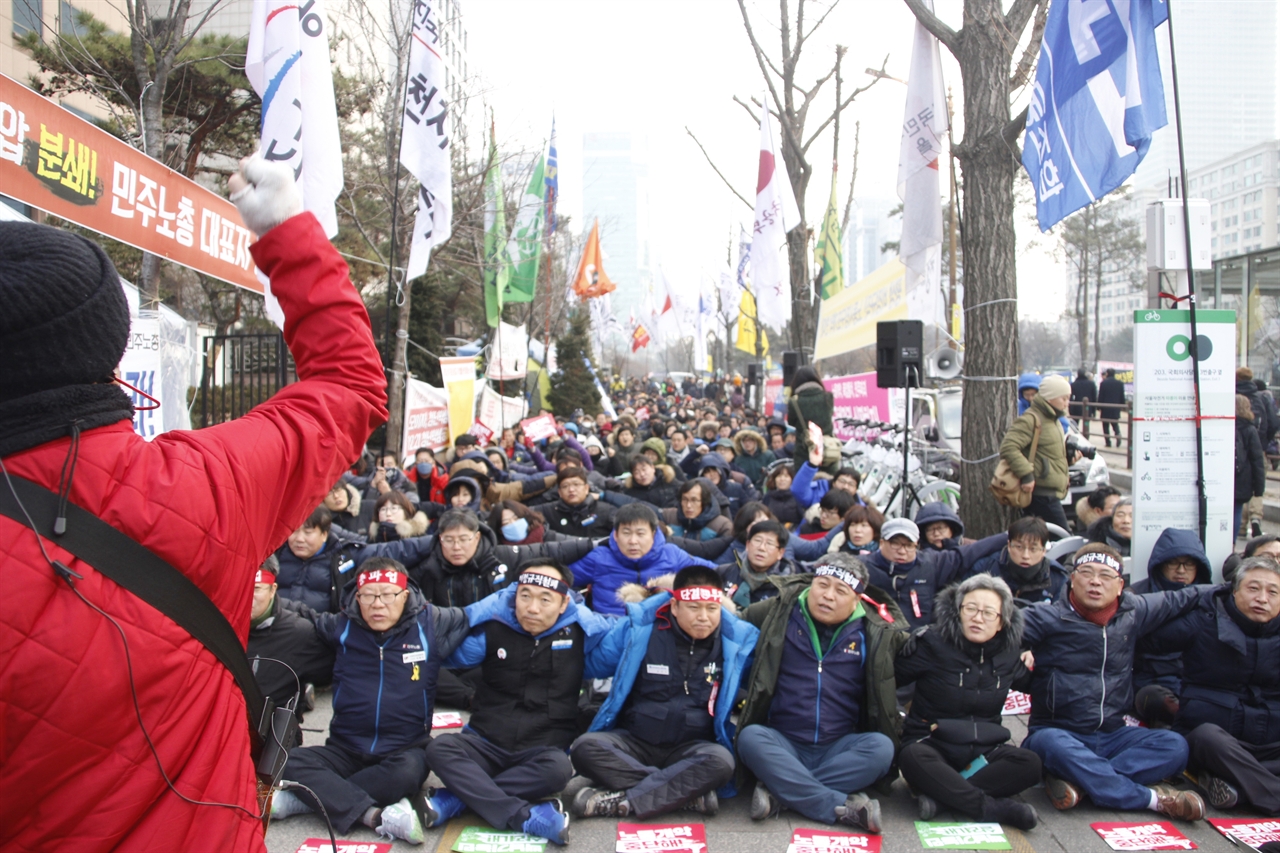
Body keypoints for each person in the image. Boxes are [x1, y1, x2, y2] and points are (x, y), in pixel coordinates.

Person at [270, 559, 472, 843]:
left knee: (406, 774)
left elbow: (476, 613)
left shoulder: (430, 623)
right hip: (346, 748)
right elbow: (301, 611)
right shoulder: (342, 625)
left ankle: (307, 800)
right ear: (357, 597)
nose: (378, 604)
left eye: (388, 595)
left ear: (404, 596)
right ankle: (374, 815)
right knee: (286, 759)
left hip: (403, 748)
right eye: (369, 595)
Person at [420, 563, 614, 845]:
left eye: (544, 599)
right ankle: (524, 816)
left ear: (564, 604)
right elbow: (437, 650)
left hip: (540, 752)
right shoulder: (492, 631)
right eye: (525, 596)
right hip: (484, 743)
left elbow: (628, 636)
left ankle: (459, 799)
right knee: (439, 747)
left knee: (559, 769)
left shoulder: (582, 636)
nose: (532, 608)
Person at [1019, 545, 1207, 821]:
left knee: (1175, 746)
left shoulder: (1133, 612)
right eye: (1087, 573)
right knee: (1048, 741)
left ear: (1120, 586)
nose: (1095, 581)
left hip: (1112, 735)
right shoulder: (1046, 617)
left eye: (1106, 576)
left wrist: (1230, 588)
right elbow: (1001, 632)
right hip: (1058, 733)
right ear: (1073, 578)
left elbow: (1181, 598)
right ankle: (1152, 800)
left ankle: (1082, 782)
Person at [567, 566, 760, 819]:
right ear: (675, 606)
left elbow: (757, 685)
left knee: (722, 762)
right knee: (584, 748)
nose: (704, 617)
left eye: (712, 609)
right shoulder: (639, 630)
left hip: (693, 748)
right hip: (634, 741)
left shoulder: (734, 643)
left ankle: (624, 799)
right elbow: (590, 664)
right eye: (694, 608)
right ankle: (684, 795)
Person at [735, 555, 908, 831]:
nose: (827, 596)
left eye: (840, 591)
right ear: (811, 583)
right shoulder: (780, 610)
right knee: (749, 737)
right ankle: (838, 806)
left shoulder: (876, 631)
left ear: (857, 600)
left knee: (882, 748)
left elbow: (920, 652)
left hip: (840, 746)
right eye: (822, 585)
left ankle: (780, 792)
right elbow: (731, 624)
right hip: (783, 741)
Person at [895, 575, 1041, 829]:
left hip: (984, 748)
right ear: (957, 611)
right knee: (911, 756)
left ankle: (943, 798)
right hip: (932, 743)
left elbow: (1035, 685)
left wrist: (1036, 657)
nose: (977, 617)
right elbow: (889, 678)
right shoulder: (932, 643)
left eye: (988, 613)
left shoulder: (1009, 652)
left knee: (1030, 764)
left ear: (1001, 622)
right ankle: (992, 809)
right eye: (970, 608)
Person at [1141, 556, 1280, 815]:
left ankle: (1237, 788)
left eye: (1273, 592)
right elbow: (1143, 641)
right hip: (1215, 740)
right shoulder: (1205, 619)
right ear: (1234, 590)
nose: (1262, 598)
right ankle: (1270, 795)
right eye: (1253, 588)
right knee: (1207, 738)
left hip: (1269, 744)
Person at [275, 506, 436, 612]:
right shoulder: (275, 554)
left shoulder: (345, 556)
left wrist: (441, 539)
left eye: (308, 533)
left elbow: (393, 550)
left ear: (324, 534)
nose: (299, 539)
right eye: (294, 532)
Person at [569, 503, 718, 616]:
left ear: (653, 534)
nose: (633, 541)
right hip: (610, 632)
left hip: (659, 633)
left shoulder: (672, 555)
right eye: (626, 533)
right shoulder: (599, 558)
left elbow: (713, 573)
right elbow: (563, 581)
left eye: (640, 534)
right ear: (616, 535)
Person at [247, 557, 334, 747]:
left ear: (273, 590)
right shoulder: (214, 624)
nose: (246, 596)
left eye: (256, 588)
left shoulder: (299, 632)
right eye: (240, 587)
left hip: (271, 738)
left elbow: (331, 671)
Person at [1130, 529, 1212, 727]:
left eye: (1189, 563)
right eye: (1173, 562)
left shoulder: (1212, 600)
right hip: (1143, 679)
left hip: (1192, 680)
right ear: (1160, 563)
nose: (1181, 570)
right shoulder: (1136, 595)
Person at [862, 517, 1007, 629]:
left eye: (908, 545)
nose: (902, 551)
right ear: (881, 543)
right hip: (878, 639)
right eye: (895, 543)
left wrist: (1008, 536)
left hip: (917, 644)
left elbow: (970, 552)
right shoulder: (862, 567)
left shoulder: (931, 563)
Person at [999, 373, 1073, 529]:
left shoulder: (1054, 419)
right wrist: (1026, 475)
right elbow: (1009, 447)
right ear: (1050, 398)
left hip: (1050, 491)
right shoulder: (1032, 419)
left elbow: (1048, 453)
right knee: (1063, 538)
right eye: (1063, 398)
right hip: (1040, 493)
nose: (1067, 403)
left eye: (1068, 398)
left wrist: (1070, 458)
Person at [971, 516, 1068, 607]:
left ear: (1043, 550)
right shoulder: (986, 567)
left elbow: (1060, 618)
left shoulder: (1057, 578)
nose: (1025, 555)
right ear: (1009, 546)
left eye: (1033, 549)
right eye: (1019, 547)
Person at [718, 520, 803, 607]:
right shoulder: (724, 571)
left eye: (769, 543)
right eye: (758, 540)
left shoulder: (787, 587)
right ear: (747, 545)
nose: (761, 548)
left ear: (780, 553)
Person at [539, 467, 616, 539]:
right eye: (565, 486)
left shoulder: (606, 511)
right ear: (559, 492)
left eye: (576, 484)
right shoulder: (549, 511)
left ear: (586, 488)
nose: (571, 489)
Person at [786, 366, 835, 465]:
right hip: (828, 450)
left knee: (805, 478)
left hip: (804, 451)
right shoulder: (827, 397)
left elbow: (791, 422)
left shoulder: (794, 401)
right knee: (828, 479)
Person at [1236, 393, 1267, 541]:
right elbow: (1257, 460)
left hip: (1226, 477)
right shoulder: (1250, 429)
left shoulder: (1224, 426)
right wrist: (1259, 489)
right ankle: (1234, 540)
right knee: (1236, 510)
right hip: (1243, 477)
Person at [662, 478, 732, 541]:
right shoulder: (668, 516)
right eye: (685, 500)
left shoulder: (722, 525)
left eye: (694, 500)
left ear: (704, 502)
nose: (688, 505)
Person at [761, 462, 804, 527]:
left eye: (786, 476)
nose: (782, 479)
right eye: (779, 476)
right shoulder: (768, 497)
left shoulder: (797, 497)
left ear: (792, 479)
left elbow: (803, 518)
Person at [1098, 368, 1126, 448]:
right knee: (1115, 424)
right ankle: (1118, 435)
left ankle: (1108, 442)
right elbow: (1122, 396)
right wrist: (1122, 406)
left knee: (1105, 425)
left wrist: (1099, 406)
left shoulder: (1103, 383)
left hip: (1105, 407)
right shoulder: (1119, 383)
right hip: (1115, 407)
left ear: (1107, 374)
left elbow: (1101, 396)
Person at [1070, 369, 1098, 438]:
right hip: (1088, 408)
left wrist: (1070, 409)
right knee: (1086, 423)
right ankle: (1086, 436)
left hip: (1076, 407)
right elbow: (1094, 397)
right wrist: (1094, 410)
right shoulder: (1091, 384)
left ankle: (1076, 436)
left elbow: (1071, 397)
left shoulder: (1074, 384)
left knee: (1075, 424)